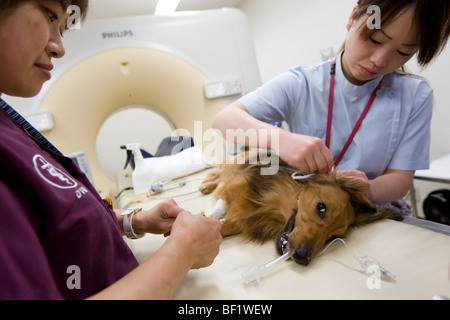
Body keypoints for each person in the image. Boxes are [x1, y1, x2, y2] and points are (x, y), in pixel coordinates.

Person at [0, 0, 222, 300]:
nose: (59, 48)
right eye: (51, 15)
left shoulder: (9, 126)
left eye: (62, 30)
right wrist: (183, 251)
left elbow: (50, 223)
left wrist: (132, 221)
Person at [213, 0, 450, 205]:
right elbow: (224, 120)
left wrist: (370, 190)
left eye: (402, 52)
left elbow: (401, 178)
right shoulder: (301, 83)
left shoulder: (415, 95)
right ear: (352, 18)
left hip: (373, 210)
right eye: (375, 39)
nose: (379, 60)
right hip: (310, 209)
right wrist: (281, 140)